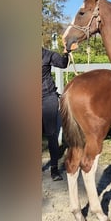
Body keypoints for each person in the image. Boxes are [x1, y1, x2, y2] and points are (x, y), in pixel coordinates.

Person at [42, 47, 69, 181]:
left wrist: (66, 52)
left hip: (47, 97)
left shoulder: (48, 55)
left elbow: (63, 64)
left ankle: (54, 169)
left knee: (51, 134)